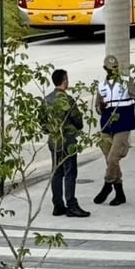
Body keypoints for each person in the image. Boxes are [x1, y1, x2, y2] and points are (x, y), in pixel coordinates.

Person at [91, 54, 135, 207]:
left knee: (113, 158)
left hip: (123, 123)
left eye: (115, 68)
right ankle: (119, 192)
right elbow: (97, 107)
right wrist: (101, 107)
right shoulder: (101, 85)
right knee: (109, 159)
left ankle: (107, 185)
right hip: (107, 124)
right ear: (105, 69)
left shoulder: (127, 81)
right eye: (110, 69)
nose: (113, 71)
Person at [44, 69, 89, 218]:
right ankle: (71, 205)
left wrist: (51, 130)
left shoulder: (46, 99)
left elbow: (41, 121)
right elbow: (78, 122)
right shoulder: (67, 100)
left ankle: (57, 204)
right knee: (70, 173)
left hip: (54, 141)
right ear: (64, 81)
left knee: (56, 172)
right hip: (68, 141)